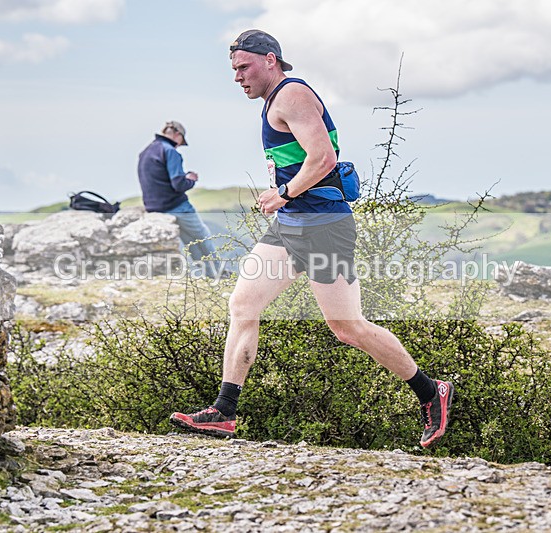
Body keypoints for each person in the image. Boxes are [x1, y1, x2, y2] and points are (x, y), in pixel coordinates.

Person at [170, 30, 453, 448]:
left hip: (324, 227)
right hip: (290, 225)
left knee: (347, 327)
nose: (237, 77)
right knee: (243, 304)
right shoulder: (274, 100)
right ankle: (224, 411)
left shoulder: (291, 94)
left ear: (271, 60)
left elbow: (324, 158)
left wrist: (282, 193)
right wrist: (286, 201)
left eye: (243, 67)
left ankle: (433, 393)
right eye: (233, 69)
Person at [137, 120, 223, 277]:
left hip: (154, 207)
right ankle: (217, 273)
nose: (179, 146)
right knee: (201, 236)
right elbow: (178, 183)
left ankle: (206, 274)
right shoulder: (170, 151)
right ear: (177, 135)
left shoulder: (146, 152)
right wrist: (190, 179)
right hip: (176, 205)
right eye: (181, 142)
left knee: (189, 242)